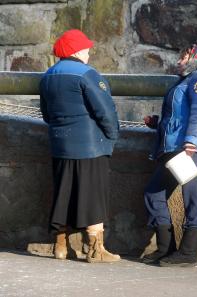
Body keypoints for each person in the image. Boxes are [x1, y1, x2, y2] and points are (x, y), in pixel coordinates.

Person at [39, 29, 120, 263]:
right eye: (85, 48)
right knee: (93, 195)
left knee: (64, 193)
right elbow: (105, 111)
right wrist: (112, 137)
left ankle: (61, 246)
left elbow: (46, 114)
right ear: (75, 50)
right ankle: (96, 250)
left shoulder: (47, 76)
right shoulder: (87, 74)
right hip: (90, 145)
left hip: (60, 144)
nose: (88, 52)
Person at [142, 44, 197, 267]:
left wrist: (192, 140)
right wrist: (157, 124)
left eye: (183, 57)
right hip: (176, 147)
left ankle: (188, 253)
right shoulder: (189, 79)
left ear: (195, 58)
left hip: (190, 148)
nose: (178, 61)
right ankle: (165, 248)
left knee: (194, 197)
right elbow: (180, 115)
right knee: (153, 194)